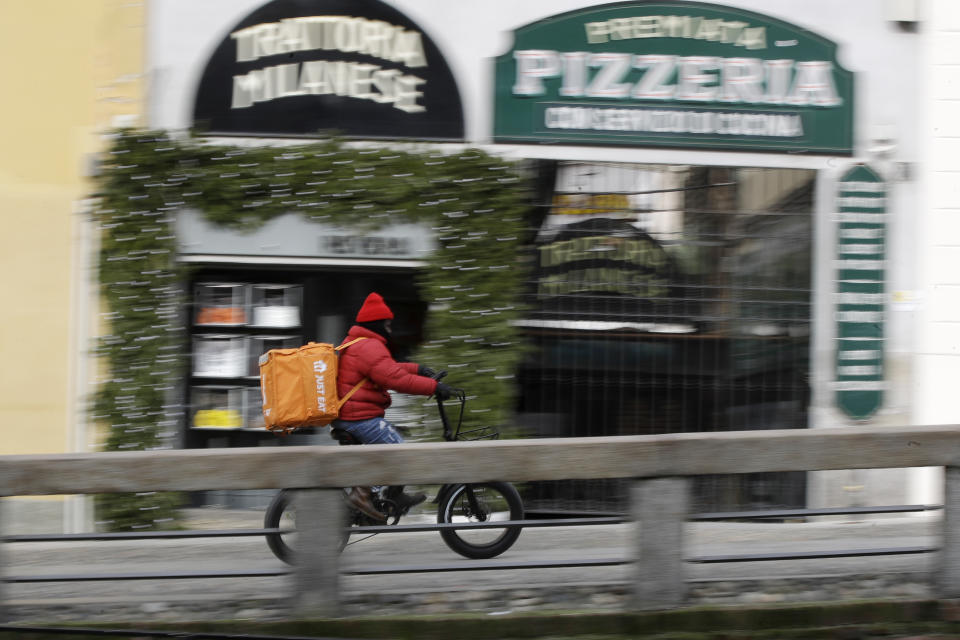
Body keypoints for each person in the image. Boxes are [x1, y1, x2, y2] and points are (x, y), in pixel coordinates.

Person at [333, 292, 456, 523]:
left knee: (392, 446)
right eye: (387, 325)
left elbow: (387, 369)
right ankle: (362, 494)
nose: (389, 330)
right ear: (377, 324)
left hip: (353, 415)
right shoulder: (369, 347)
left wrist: (417, 369)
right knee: (399, 451)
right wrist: (434, 388)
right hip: (360, 418)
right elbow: (394, 379)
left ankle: (392, 496)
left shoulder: (359, 343)